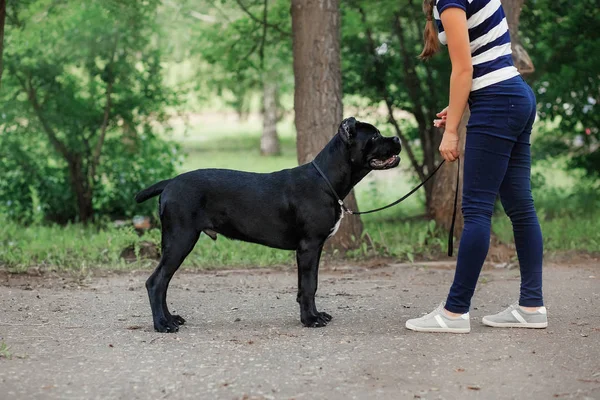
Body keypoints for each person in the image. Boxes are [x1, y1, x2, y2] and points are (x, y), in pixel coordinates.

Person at [405, 0, 547, 333]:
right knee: (520, 208)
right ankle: (531, 306)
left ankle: (454, 313)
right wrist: (454, 110)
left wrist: (451, 131)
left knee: (477, 210)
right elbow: (485, 58)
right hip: (513, 95)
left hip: (497, 100)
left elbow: (464, 69)